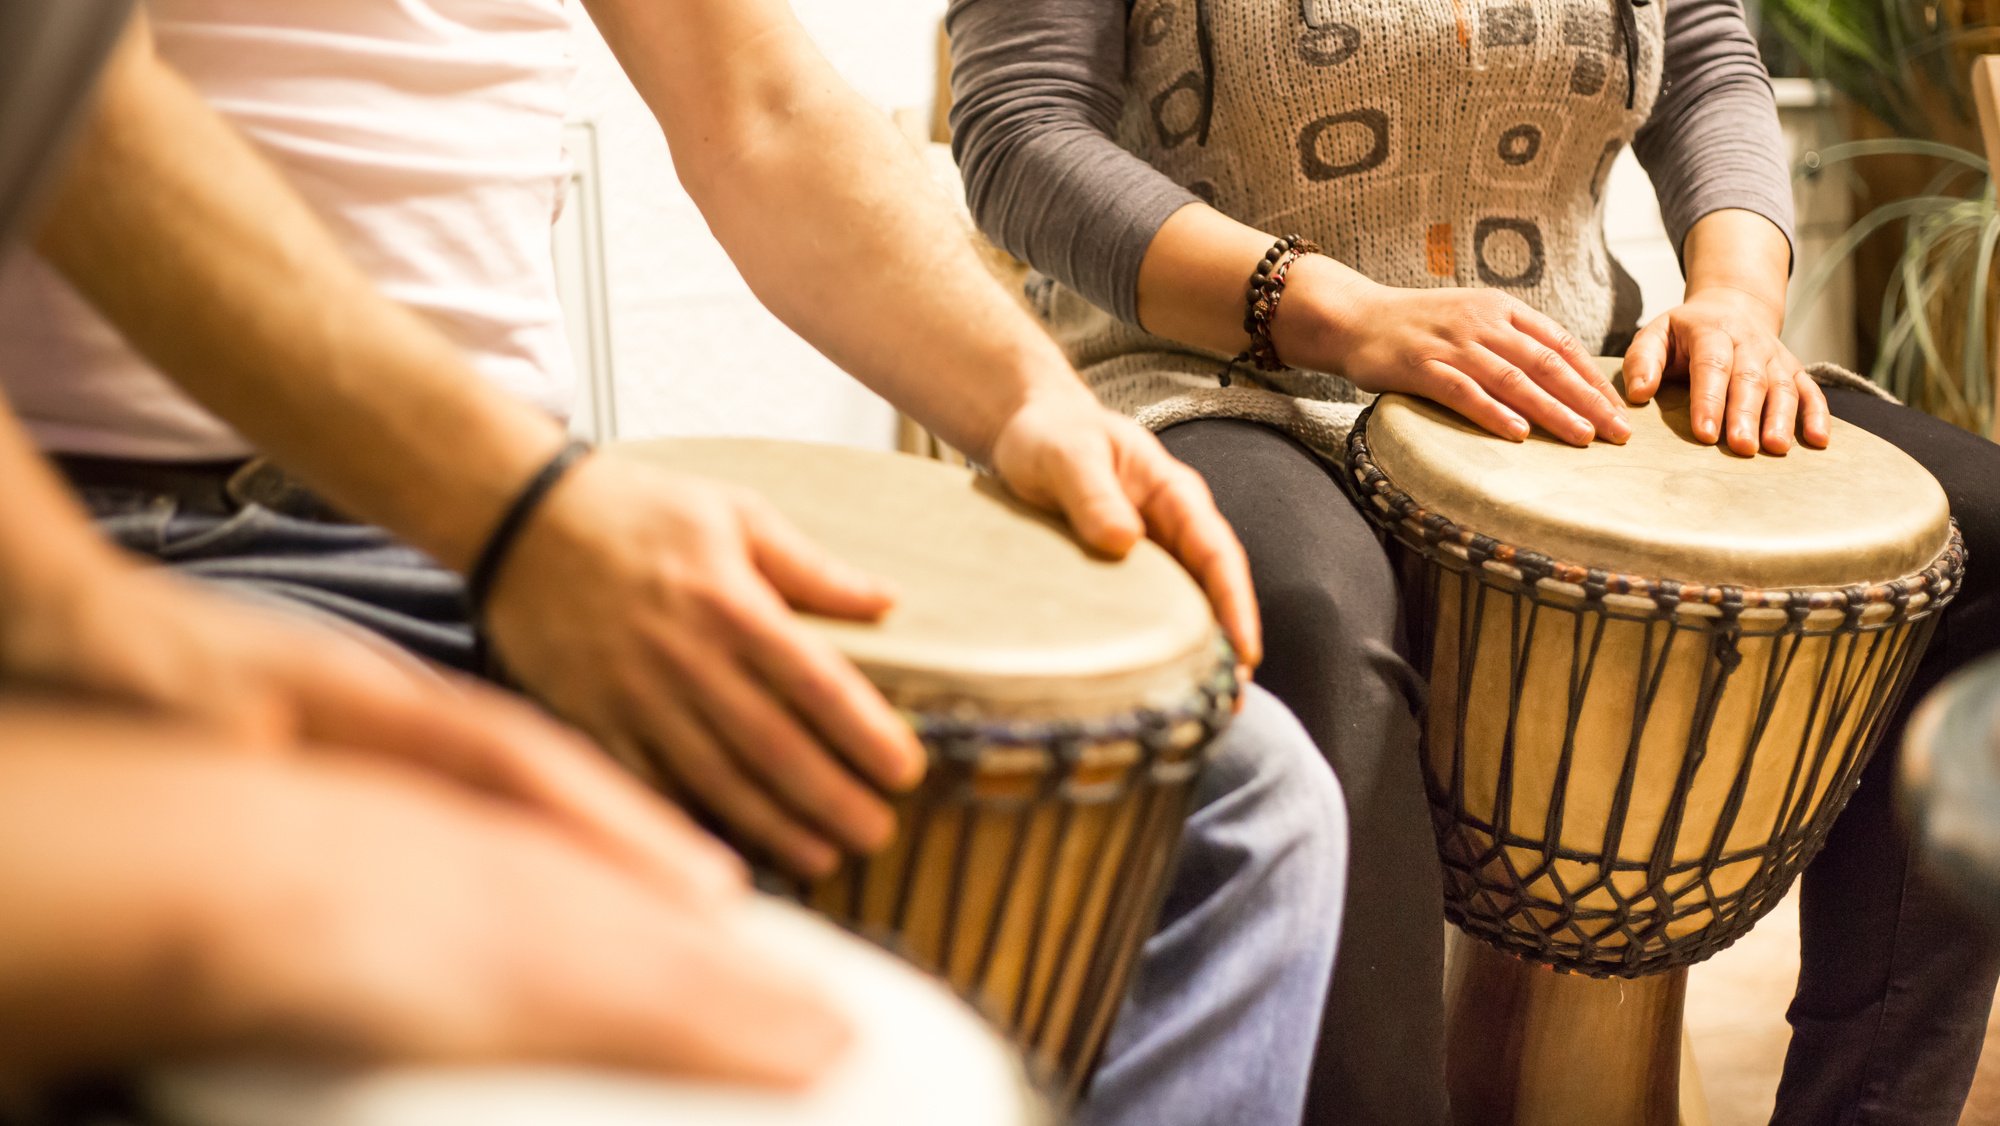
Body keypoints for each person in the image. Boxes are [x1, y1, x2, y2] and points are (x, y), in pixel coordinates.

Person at [3, 5, 1350, 1124]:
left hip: (519, 523)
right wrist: (518, 510)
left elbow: (752, 102)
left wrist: (1026, 396)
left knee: (1236, 813)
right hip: (167, 545)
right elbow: (75, 114)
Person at [945, 0, 2000, 1121]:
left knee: (1980, 529)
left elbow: (1701, 57)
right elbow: (1020, 132)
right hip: (1214, 371)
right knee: (1303, 611)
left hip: (1560, 373)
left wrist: (1734, 299)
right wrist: (1338, 312)